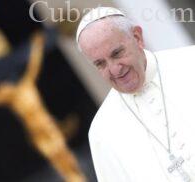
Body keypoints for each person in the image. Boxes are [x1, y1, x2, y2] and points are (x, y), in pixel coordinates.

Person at [76, 7, 195, 182]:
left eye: (117, 53)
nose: (115, 70)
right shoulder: (101, 132)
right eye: (101, 64)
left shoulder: (190, 62)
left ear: (137, 38)